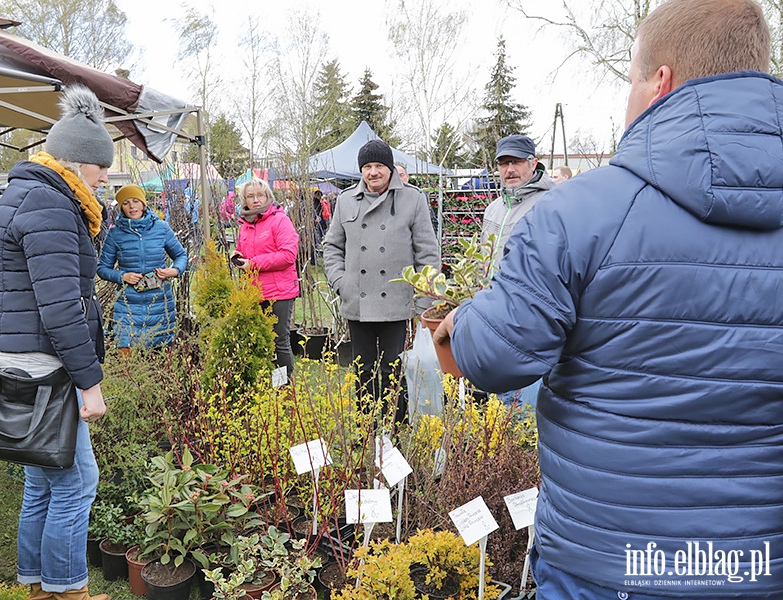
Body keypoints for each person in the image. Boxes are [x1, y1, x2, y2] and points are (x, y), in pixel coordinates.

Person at [436, 0, 783, 597]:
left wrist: (460, 321)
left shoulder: (579, 212)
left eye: (630, 81)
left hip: (609, 560)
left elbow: (497, 356)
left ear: (660, 82)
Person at [0, 85, 113, 600]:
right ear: (78, 162)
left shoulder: (27, 192)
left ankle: (37, 588)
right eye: (100, 167)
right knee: (78, 483)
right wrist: (90, 383)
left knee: (41, 482)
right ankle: (68, 592)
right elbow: (60, 308)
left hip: (18, 357)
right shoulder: (53, 205)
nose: (106, 176)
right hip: (45, 365)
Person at [324, 139, 440, 422]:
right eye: (366, 167)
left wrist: (423, 302)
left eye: (378, 166)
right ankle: (366, 429)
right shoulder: (346, 200)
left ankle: (395, 429)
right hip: (358, 301)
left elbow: (427, 252)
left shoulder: (413, 199)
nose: (372, 172)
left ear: (389, 168)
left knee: (393, 370)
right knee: (362, 370)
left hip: (398, 304)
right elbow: (332, 247)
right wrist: (342, 282)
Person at [97, 184, 187, 350]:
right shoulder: (115, 234)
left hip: (160, 304)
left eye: (136, 201)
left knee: (160, 359)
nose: (132, 207)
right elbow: (102, 268)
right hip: (128, 305)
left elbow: (181, 256)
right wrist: (122, 276)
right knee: (126, 355)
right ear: (121, 207)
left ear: (144, 203)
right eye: (126, 203)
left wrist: (173, 271)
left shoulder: (162, 228)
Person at [230, 177, 299, 378]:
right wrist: (238, 255)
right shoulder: (246, 224)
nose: (256, 200)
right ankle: (265, 382)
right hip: (254, 291)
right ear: (244, 200)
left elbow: (288, 255)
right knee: (260, 338)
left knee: (279, 341)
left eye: (260, 195)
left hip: (279, 292)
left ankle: (282, 388)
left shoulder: (279, 220)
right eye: (251, 196)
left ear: (268, 196)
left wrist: (254, 263)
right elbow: (245, 251)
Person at [483, 134, 555, 269]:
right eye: (504, 163)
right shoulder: (492, 209)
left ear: (533, 164)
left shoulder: (550, 206)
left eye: (516, 162)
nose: (510, 169)